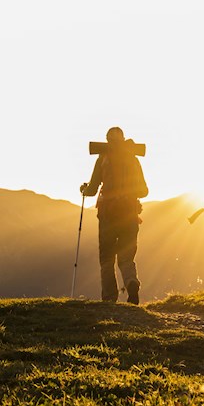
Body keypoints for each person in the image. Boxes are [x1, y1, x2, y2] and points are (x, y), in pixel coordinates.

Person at [81, 127, 149, 304]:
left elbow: (93, 188)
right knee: (126, 257)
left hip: (107, 215)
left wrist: (84, 189)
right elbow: (144, 191)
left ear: (107, 141)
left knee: (107, 258)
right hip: (130, 215)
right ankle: (131, 282)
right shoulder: (133, 160)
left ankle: (109, 299)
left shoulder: (103, 159)